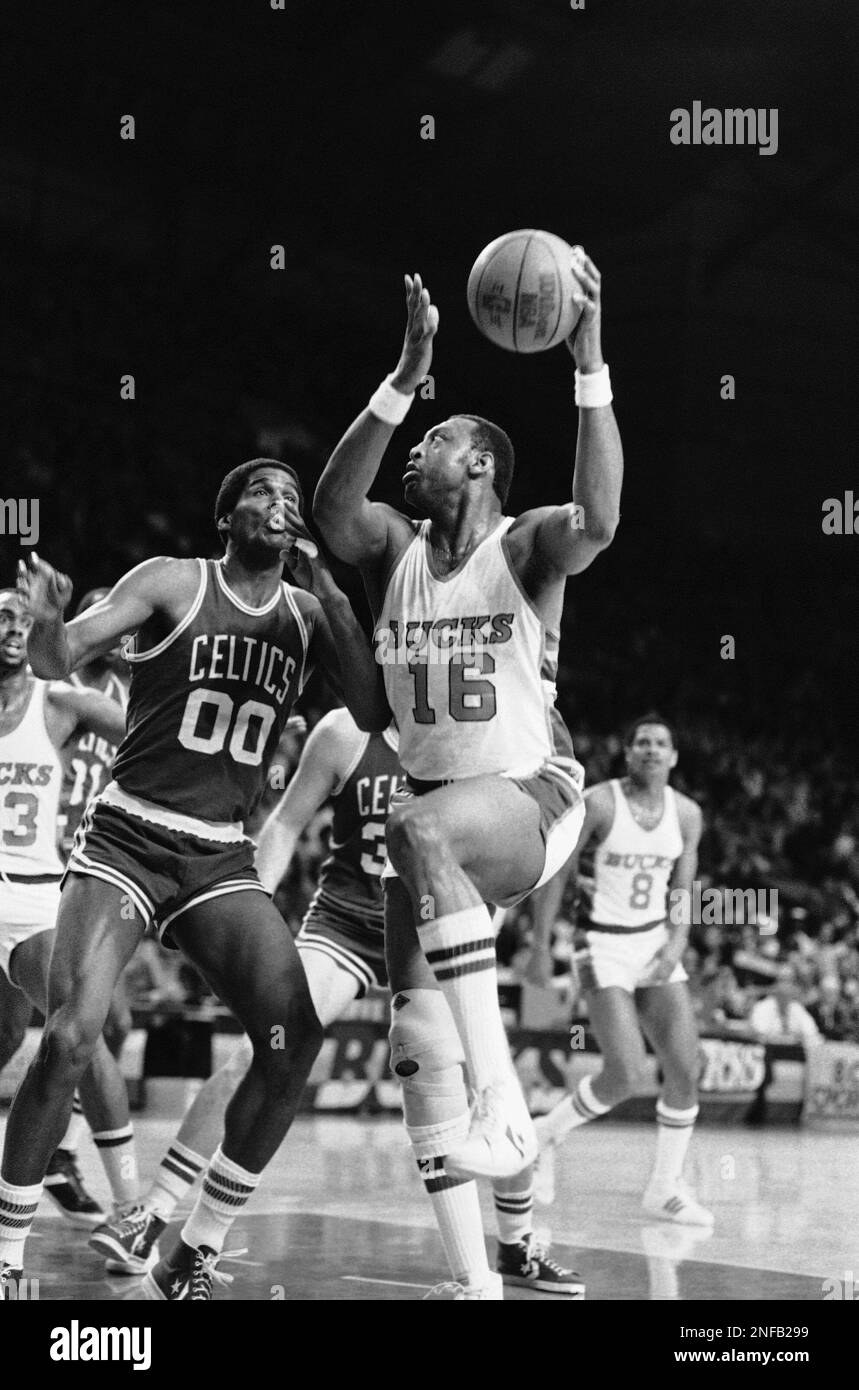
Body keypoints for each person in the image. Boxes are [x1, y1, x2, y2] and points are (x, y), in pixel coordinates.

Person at [0, 460, 389, 1301]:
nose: (280, 503)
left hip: (219, 853)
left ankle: (194, 1247)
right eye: (260, 491)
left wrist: (328, 582)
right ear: (226, 517)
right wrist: (46, 621)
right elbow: (59, 655)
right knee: (72, 1034)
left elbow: (369, 708)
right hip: (130, 833)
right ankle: (6, 1253)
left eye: (291, 497)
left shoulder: (309, 612)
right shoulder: (172, 581)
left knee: (292, 1041)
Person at [313, 254, 621, 1297]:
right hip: (442, 822)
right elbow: (332, 506)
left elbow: (603, 519)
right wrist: (406, 376)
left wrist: (588, 366)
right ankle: (477, 1279)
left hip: (534, 797)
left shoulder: (527, 544)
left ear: (482, 465)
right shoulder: (392, 548)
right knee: (411, 1042)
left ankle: (503, 1098)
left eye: (437, 438)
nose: (419, 453)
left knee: (420, 830)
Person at [94, 706, 582, 1296]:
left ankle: (516, 1243)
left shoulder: (480, 728)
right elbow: (284, 823)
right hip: (346, 922)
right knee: (263, 1052)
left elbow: (523, 836)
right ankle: (155, 1212)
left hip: (439, 923)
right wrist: (252, 909)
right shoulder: (345, 732)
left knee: (488, 1081)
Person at [0, 588, 147, 1258]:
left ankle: (128, 1208)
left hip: (43, 891)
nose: (12, 627)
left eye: (23, 620)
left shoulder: (67, 701)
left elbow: (156, 736)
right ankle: (52, 1162)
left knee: (88, 1032)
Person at [525, 715, 714, 1226]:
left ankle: (664, 1188)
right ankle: (545, 1135)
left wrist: (678, 940)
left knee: (685, 1069)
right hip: (601, 945)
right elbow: (558, 874)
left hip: (654, 943)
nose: (652, 750)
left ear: (674, 756)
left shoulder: (689, 814)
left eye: (661, 743)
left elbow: (684, 886)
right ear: (627, 752)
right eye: (642, 743)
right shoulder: (600, 803)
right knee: (626, 1073)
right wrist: (541, 946)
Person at [748, 964, 821, 1049]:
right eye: (782, 980)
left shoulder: (797, 1008)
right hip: (767, 1053)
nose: (785, 986)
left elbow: (812, 1033)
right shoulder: (761, 1007)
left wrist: (801, 1038)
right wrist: (788, 1038)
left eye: (789, 981)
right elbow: (760, 1033)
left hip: (792, 1056)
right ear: (776, 984)